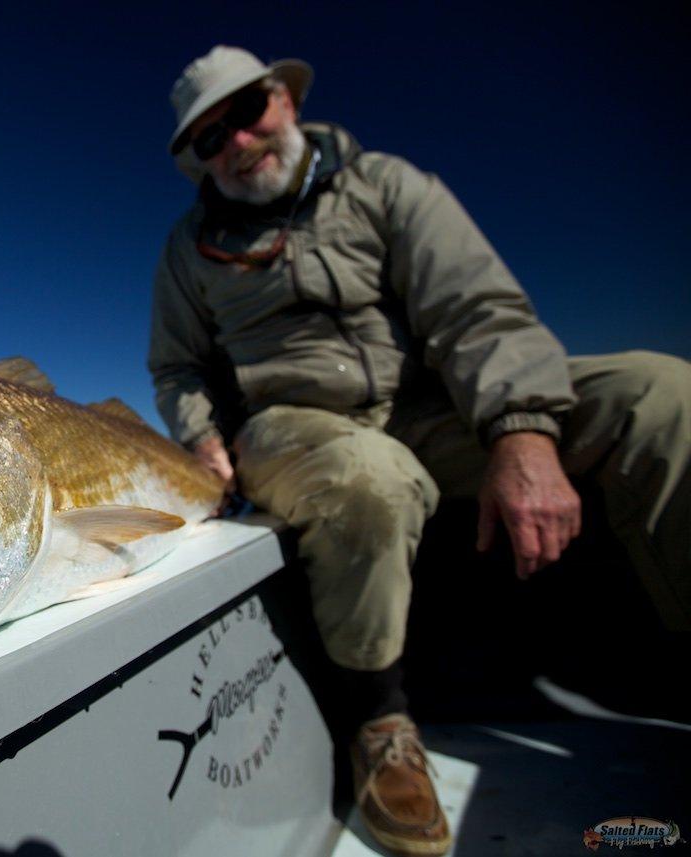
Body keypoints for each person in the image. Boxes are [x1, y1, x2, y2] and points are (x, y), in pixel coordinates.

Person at [148, 45, 691, 857]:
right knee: (368, 480)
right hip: (293, 425)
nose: (237, 142)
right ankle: (378, 718)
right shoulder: (188, 249)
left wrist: (521, 428)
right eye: (209, 137)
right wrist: (200, 436)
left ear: (286, 101)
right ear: (199, 158)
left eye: (248, 112)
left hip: (435, 404)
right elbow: (178, 367)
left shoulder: (385, 185)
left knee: (661, 395)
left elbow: (476, 308)